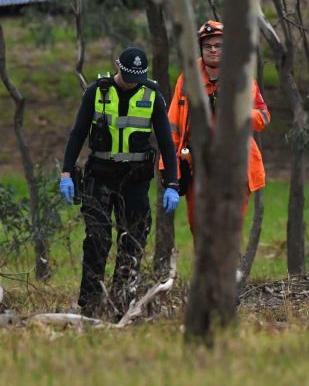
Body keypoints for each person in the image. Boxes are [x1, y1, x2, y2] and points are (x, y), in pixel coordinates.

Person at [58, 47, 179, 318]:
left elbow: (167, 144)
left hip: (134, 180)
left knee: (132, 242)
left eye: (137, 76)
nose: (132, 81)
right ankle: (90, 304)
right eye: (127, 75)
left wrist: (172, 183)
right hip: (100, 176)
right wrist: (66, 173)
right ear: (117, 66)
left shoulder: (152, 95)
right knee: (97, 239)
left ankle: (121, 304)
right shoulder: (96, 92)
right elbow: (77, 132)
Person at [163, 20, 270, 236]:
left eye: (218, 45)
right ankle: (207, 270)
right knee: (200, 229)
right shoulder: (187, 81)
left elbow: (263, 117)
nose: (213, 50)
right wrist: (170, 173)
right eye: (208, 45)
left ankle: (226, 270)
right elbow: (172, 128)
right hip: (197, 166)